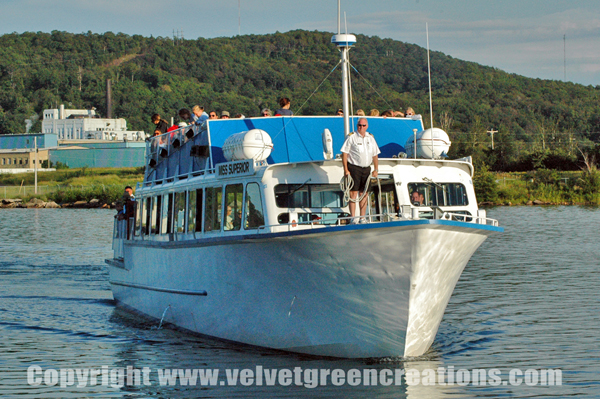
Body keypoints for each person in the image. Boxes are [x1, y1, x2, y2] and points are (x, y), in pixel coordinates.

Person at [341, 118, 380, 224]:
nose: (361, 127)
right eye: (359, 125)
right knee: (353, 193)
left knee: (364, 193)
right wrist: (346, 169)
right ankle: (353, 218)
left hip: (366, 168)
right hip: (354, 167)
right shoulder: (351, 137)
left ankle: (362, 218)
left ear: (366, 126)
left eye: (363, 125)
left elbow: (375, 154)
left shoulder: (370, 138)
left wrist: (376, 169)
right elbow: (344, 153)